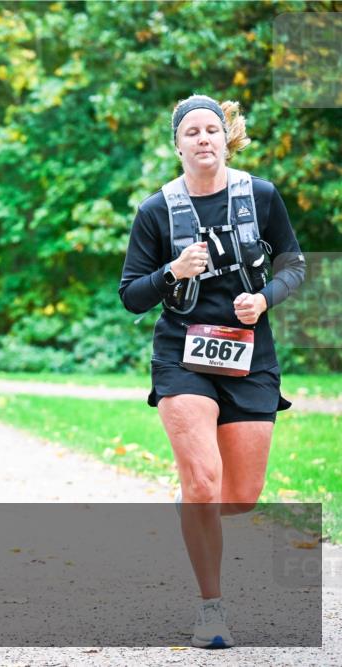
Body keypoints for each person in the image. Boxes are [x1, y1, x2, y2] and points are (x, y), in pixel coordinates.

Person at [119, 94, 305, 649]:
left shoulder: (261, 196)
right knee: (204, 482)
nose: (203, 139)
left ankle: (194, 506)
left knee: (241, 495)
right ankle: (211, 609)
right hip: (183, 357)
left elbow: (293, 263)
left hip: (250, 358)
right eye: (192, 132)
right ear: (176, 144)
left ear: (227, 138)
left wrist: (266, 299)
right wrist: (172, 272)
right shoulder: (158, 210)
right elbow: (131, 294)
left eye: (212, 130)